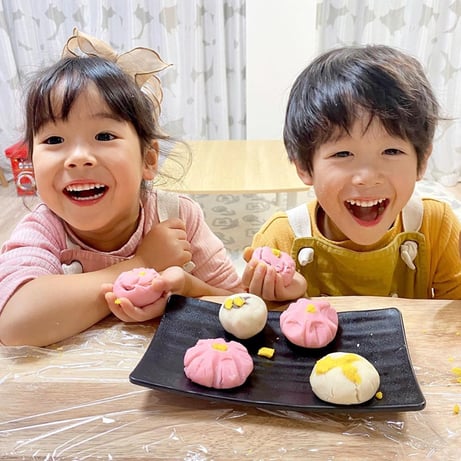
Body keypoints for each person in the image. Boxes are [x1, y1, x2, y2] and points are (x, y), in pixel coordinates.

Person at [0, 29, 242, 347]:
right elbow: (15, 325)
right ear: (31, 164)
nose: (78, 157)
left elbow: (237, 302)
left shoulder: (177, 216)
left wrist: (187, 287)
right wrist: (142, 264)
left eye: (104, 136)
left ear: (148, 160)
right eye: (54, 140)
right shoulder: (44, 230)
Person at [242, 44, 461, 301]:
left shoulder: (435, 226)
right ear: (303, 166)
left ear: (421, 161)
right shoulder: (281, 239)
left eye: (391, 151)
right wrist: (280, 298)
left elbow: (453, 314)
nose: (367, 177)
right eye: (343, 154)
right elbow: (248, 314)